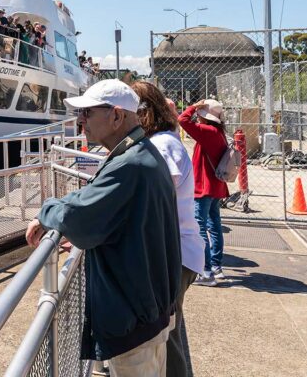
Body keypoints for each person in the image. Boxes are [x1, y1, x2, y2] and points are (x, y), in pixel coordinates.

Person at [26, 80, 181, 376]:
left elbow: (79, 220)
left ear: (117, 116)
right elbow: (92, 199)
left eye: (87, 113)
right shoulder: (140, 154)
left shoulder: (130, 164)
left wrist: (46, 210)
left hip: (135, 320)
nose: (80, 121)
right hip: (149, 311)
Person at [132, 81, 203, 376]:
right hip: (175, 252)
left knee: (166, 333)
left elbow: (161, 185)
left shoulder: (163, 144)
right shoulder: (164, 141)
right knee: (171, 329)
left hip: (174, 254)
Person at [178, 99, 230, 287]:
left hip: (204, 186)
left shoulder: (207, 132)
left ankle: (206, 271)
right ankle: (216, 267)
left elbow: (182, 120)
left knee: (200, 227)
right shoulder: (219, 132)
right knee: (214, 225)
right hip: (216, 186)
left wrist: (193, 107)